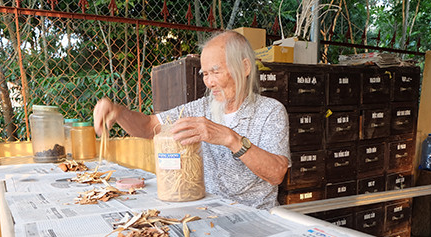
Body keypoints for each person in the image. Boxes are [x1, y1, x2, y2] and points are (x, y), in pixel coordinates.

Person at [93, 30, 291, 209]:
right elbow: (148, 127)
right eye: (205, 74)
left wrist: (230, 138)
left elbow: (276, 173)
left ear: (245, 67)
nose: (209, 82)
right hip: (207, 210)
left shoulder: (270, 111)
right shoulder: (200, 108)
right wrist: (119, 112)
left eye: (215, 71)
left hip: (253, 216)